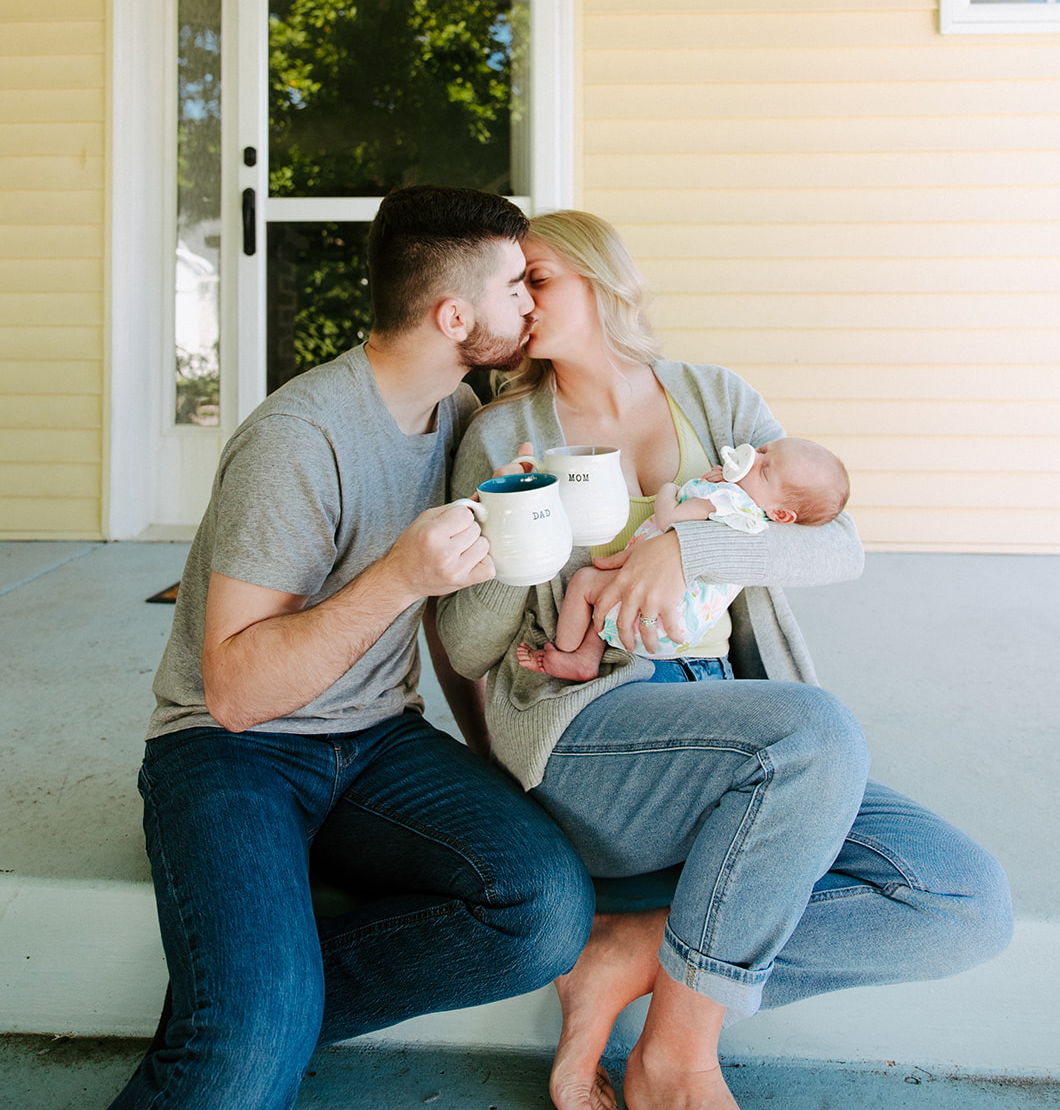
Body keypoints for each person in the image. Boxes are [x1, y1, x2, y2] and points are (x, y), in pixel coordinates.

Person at [436, 210, 1013, 1110]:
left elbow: (836, 545)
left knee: (962, 902)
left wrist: (687, 548)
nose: (517, 303)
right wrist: (522, 518)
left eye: (535, 279)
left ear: (599, 279)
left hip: (734, 724)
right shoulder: (499, 433)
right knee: (812, 730)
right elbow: (466, 645)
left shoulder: (714, 399)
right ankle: (675, 1061)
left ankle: (631, 951)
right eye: (508, 287)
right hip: (589, 737)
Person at [108, 187, 595, 1110]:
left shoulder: (457, 411)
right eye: (513, 287)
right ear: (454, 317)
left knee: (543, 911)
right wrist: (400, 577)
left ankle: (255, 1009)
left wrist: (494, 761)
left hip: (377, 741)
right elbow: (235, 693)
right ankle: (248, 1021)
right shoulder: (296, 441)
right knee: (243, 1054)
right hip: (230, 753)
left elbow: (448, 621)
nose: (530, 302)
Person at [518, 435, 850, 682]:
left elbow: (669, 518)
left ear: (782, 514)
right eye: (762, 450)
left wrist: (669, 490)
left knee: (585, 583)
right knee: (607, 598)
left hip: (660, 614)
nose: (752, 459)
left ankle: (567, 652)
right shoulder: (753, 519)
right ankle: (589, 656)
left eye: (763, 469)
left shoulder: (725, 500)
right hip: (681, 628)